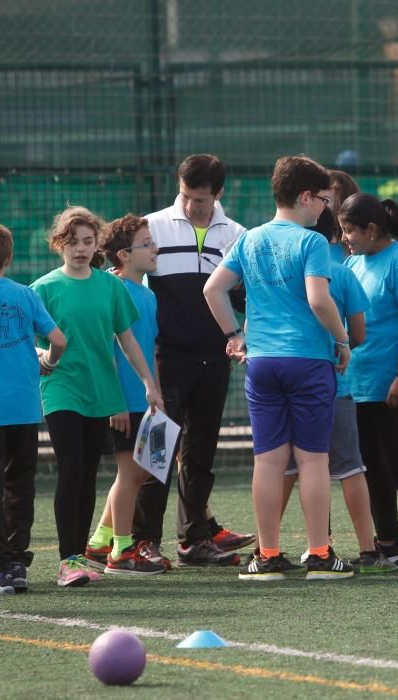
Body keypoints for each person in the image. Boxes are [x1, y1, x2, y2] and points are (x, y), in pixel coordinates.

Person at [204, 155, 354, 582]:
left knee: (268, 461)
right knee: (312, 460)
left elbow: (212, 289)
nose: (326, 208)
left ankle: (267, 556)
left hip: (263, 362)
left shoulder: (249, 240)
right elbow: (318, 300)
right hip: (307, 360)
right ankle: (320, 555)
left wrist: (235, 335)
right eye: (323, 199)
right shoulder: (310, 243)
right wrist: (342, 341)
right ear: (305, 197)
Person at [31, 206, 163, 587]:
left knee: (88, 474)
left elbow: (127, 340)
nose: (81, 249)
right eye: (72, 242)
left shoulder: (111, 287)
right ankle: (67, 559)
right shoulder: (43, 289)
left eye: (88, 242)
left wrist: (148, 382)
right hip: (61, 389)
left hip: (101, 391)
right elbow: (29, 341)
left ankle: (82, 555)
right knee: (71, 468)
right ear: (59, 244)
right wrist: (38, 355)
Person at [136, 153, 253, 568]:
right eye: (185, 196)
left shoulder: (237, 235)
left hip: (214, 358)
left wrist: (244, 337)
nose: (190, 205)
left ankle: (193, 540)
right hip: (165, 357)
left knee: (201, 451)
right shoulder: (151, 227)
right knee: (157, 449)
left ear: (219, 193)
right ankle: (143, 540)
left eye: (200, 199)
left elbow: (246, 298)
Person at [281, 207, 394, 574]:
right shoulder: (343, 275)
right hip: (333, 382)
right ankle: (367, 548)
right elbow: (358, 334)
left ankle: (270, 549)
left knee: (281, 467)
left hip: (282, 378)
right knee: (349, 467)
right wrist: (341, 341)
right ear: (336, 233)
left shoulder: (285, 268)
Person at [0, 221, 66, 594]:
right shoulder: (24, 294)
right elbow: (58, 339)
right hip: (24, 406)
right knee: (20, 485)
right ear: (9, 257)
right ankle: (17, 562)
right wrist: (47, 362)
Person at [339, 193, 398, 569]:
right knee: (370, 465)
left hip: (394, 383)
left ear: (372, 229)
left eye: (350, 230)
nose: (345, 237)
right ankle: (389, 543)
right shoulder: (354, 263)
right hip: (359, 383)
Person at [84, 216, 167, 576]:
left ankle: (101, 542)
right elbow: (107, 350)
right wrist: (115, 400)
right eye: (146, 244)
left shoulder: (147, 294)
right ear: (123, 254)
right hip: (123, 402)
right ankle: (120, 551)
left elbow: (148, 349)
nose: (154, 249)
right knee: (130, 473)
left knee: (141, 472)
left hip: (147, 400)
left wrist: (157, 390)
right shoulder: (109, 288)